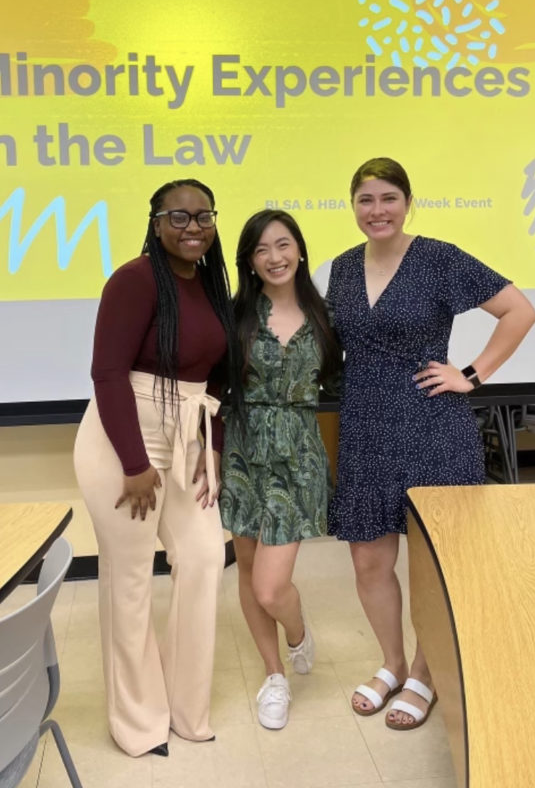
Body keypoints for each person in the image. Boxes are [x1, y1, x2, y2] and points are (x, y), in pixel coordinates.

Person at [325, 158, 535, 731]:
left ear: (408, 201)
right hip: (366, 426)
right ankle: (392, 663)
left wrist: (471, 373)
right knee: (368, 557)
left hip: (430, 423)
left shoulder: (439, 258)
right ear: (354, 207)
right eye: (366, 200)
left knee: (430, 559)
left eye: (389, 198)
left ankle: (425, 671)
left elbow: (521, 311)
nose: (378, 211)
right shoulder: (343, 269)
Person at [73, 179, 237, 758]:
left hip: (188, 438)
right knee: (132, 578)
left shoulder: (213, 287)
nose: (193, 227)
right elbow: (108, 374)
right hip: (123, 445)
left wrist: (212, 446)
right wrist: (135, 463)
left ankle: (186, 707)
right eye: (179, 216)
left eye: (203, 216)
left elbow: (217, 382)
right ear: (157, 221)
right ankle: (138, 722)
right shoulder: (135, 280)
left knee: (203, 557)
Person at [220, 209, 341, 730]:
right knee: (248, 571)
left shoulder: (326, 314)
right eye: (262, 249)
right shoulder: (234, 317)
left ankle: (297, 634)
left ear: (299, 248)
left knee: (272, 587)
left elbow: (340, 384)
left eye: (283, 244)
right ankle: (274, 676)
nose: (275, 257)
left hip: (299, 456)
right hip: (244, 453)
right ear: (249, 261)